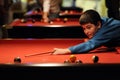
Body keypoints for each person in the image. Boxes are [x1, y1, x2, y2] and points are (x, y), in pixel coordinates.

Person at [52, 9, 120, 55]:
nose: (86, 32)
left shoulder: (106, 28)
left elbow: (90, 44)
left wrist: (66, 50)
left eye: (89, 27)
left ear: (98, 24)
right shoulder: (101, 21)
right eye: (84, 29)